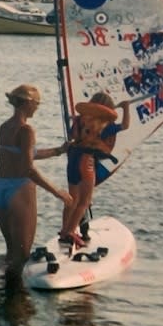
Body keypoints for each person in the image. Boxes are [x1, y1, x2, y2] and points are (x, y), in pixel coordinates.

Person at [0, 84, 73, 282]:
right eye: (37, 104)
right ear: (28, 104)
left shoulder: (4, 128)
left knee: (11, 253)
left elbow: (26, 155)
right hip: (19, 189)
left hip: (0, 189)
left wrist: (59, 151)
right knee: (21, 256)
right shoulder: (26, 130)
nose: (37, 108)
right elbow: (28, 168)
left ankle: (6, 298)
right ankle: (18, 307)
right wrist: (58, 192)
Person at [60, 92, 130, 248]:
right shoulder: (105, 124)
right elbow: (125, 125)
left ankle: (64, 231)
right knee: (85, 201)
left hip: (72, 158)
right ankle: (71, 231)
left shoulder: (79, 120)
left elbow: (73, 135)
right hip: (87, 161)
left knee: (72, 199)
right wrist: (126, 108)